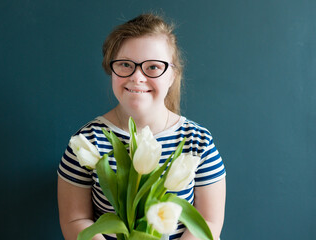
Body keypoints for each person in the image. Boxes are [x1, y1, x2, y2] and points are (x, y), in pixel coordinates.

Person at [57, 13, 226, 240]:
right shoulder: (87, 142)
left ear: (172, 75)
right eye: (126, 64)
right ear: (111, 69)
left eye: (153, 67)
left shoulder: (198, 141)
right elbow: (74, 219)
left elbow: (209, 222)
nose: (137, 77)